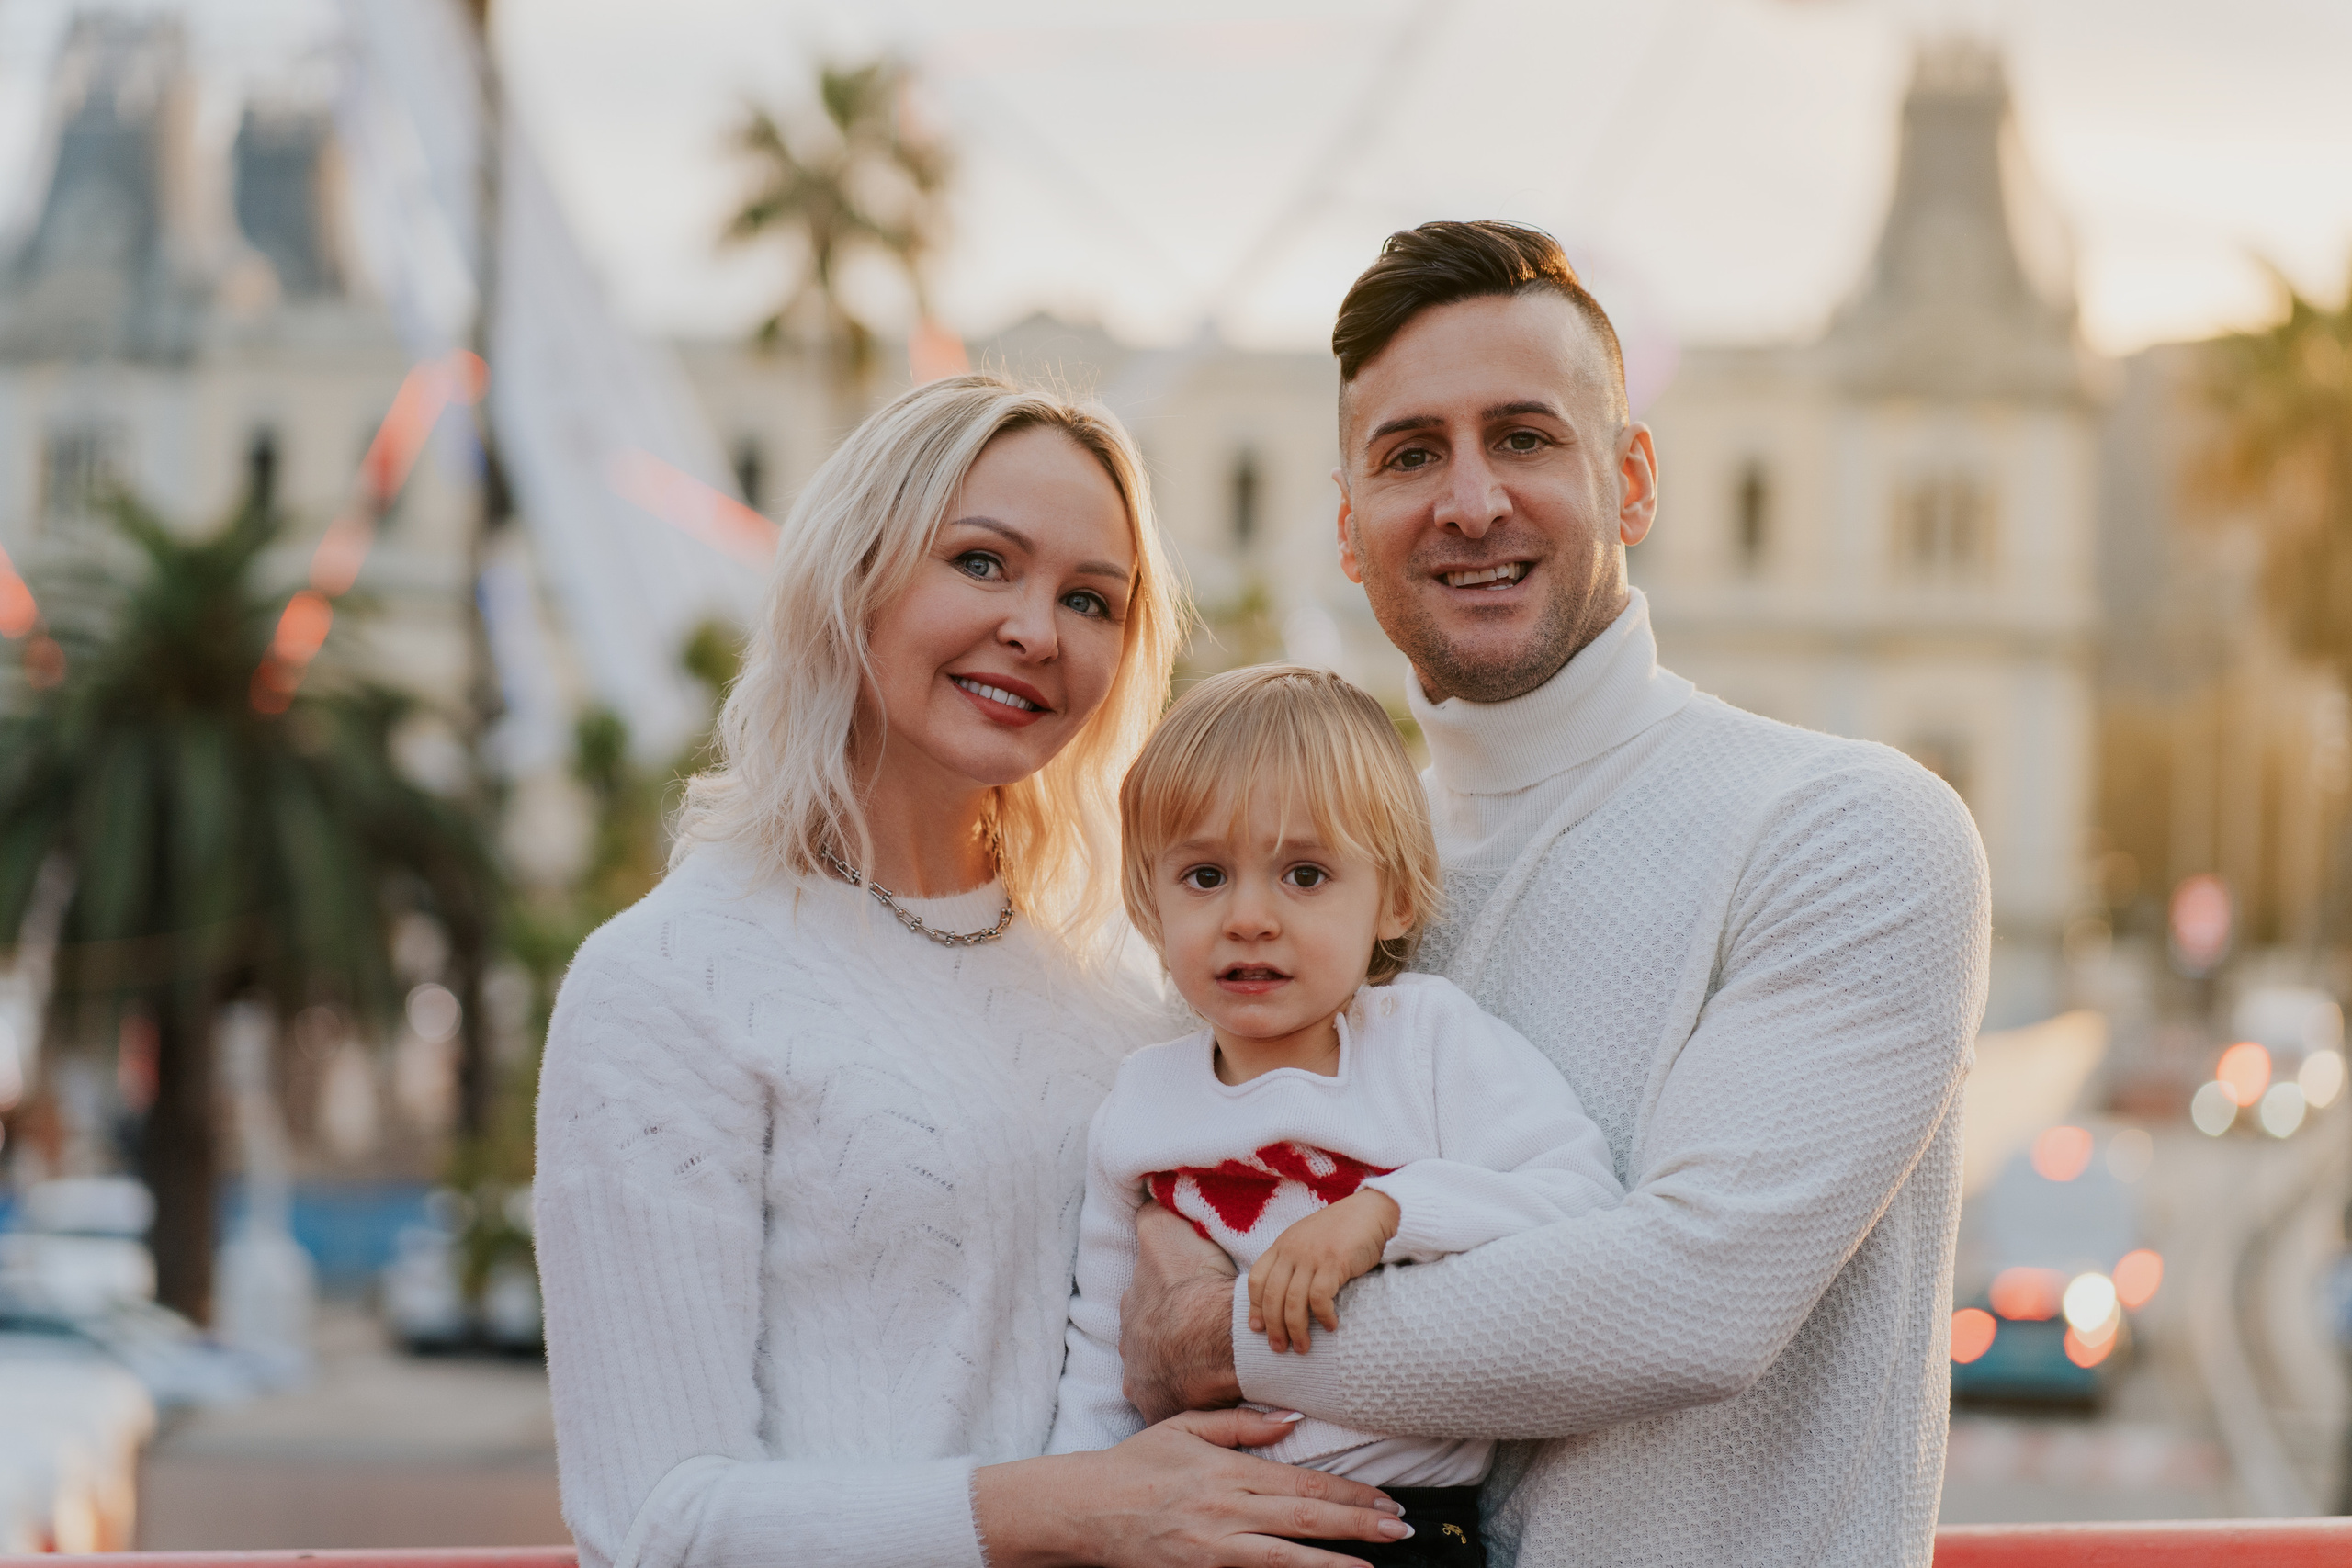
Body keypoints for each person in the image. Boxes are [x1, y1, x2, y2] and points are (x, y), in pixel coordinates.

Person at [1114, 222, 1992, 1567]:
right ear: (1348, 530)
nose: (1470, 502)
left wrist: (1214, 1336)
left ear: (1632, 480)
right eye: (1412, 455)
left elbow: (1691, 1297)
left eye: (1524, 437)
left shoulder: (1849, 830)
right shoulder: (1324, 890)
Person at [535, 375, 1411, 1568]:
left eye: (1092, 598)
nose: (1039, 631)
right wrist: (1073, 1507)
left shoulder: (1136, 998)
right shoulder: (667, 983)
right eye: (984, 563)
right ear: (858, 569)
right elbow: (650, 1523)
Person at [1048, 665, 1623, 1566]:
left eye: (1304, 874)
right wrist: (1081, 1517)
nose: (1248, 917)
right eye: (1203, 875)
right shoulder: (1142, 1102)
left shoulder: (1425, 1041)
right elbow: (1102, 1345)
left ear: (1393, 897)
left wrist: (1385, 1212)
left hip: (1395, 1524)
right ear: (1147, 908)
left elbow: (1578, 1197)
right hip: (1195, 1522)